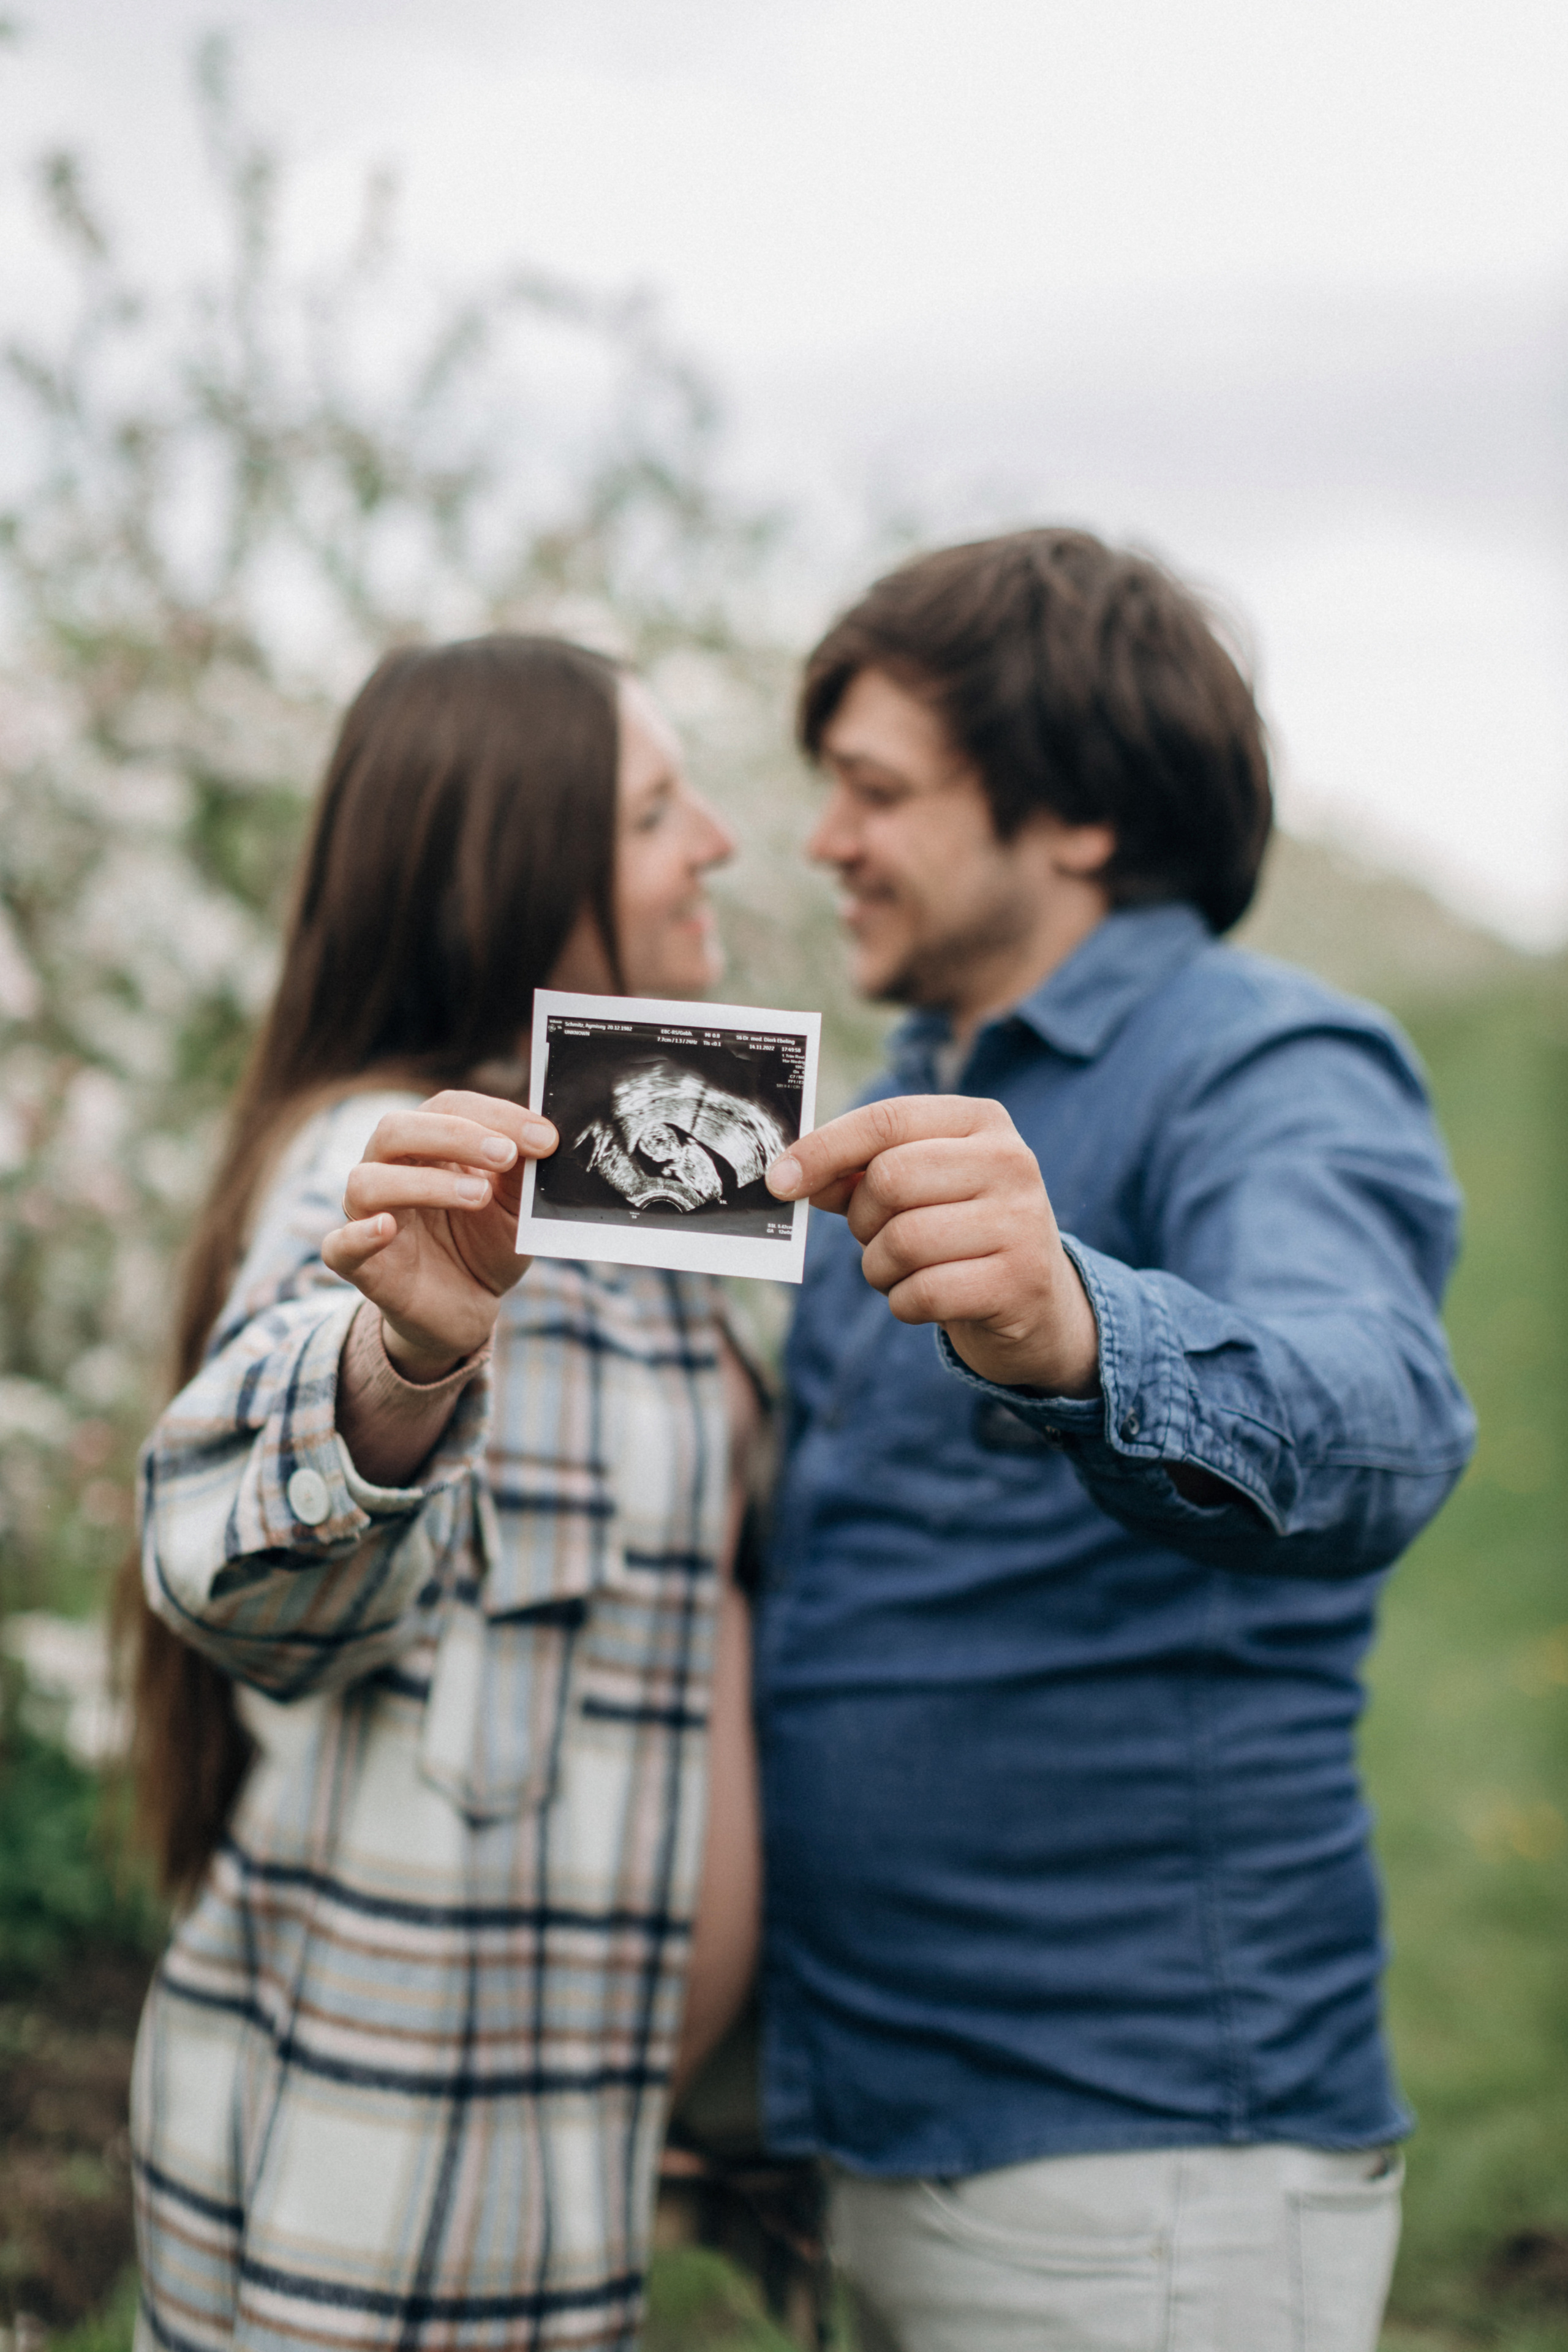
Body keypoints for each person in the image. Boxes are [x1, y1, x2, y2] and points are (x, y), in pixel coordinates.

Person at [753, 530, 1476, 2352]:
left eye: (877, 791)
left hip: (1143, 2169)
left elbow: (1380, 1417)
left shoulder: (1272, 1063)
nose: (827, 838)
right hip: (880, 2122)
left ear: (1071, 813)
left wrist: (1077, 1325)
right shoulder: (897, 1094)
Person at [121, 635, 763, 2352]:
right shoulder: (394, 1174)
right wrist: (399, 1369)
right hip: (390, 2197)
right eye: (653, 809)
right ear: (511, 864)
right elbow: (226, 1571)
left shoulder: (622, 1185)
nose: (717, 840)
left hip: (564, 2176)